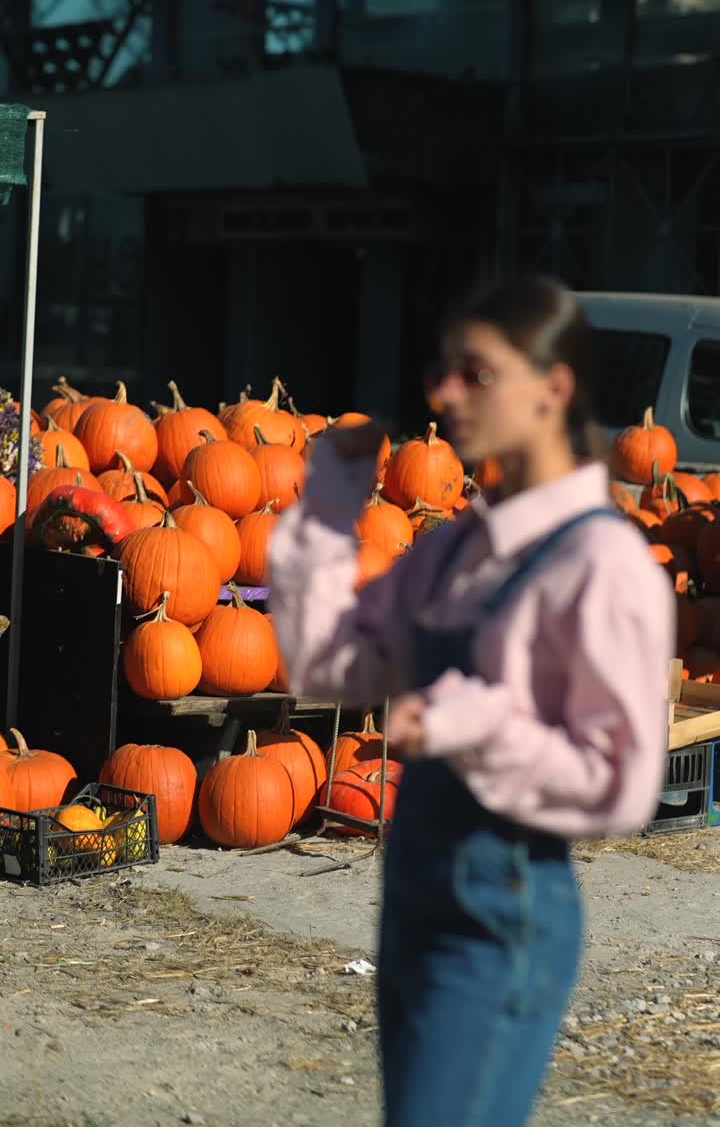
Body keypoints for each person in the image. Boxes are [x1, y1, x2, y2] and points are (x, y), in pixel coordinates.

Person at [268, 276, 675, 1127]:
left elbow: (622, 782)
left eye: (475, 373)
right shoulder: (454, 549)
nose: (445, 393)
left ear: (552, 389)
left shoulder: (603, 566)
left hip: (503, 911)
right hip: (415, 896)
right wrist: (323, 522)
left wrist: (470, 721)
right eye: (441, 372)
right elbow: (331, 669)